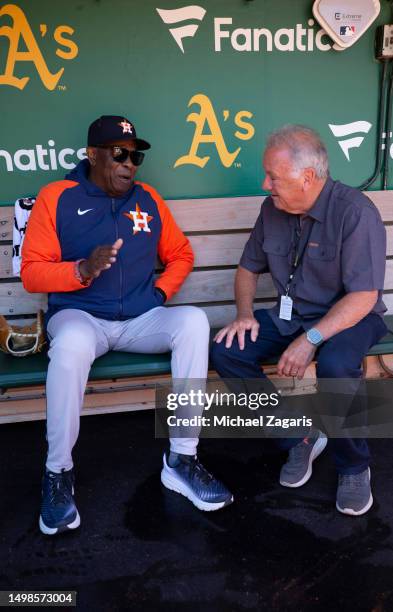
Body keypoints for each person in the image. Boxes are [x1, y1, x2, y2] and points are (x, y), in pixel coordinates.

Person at [21, 114, 233, 535]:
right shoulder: (57, 197)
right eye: (119, 154)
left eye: (135, 156)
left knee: (192, 322)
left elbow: (182, 254)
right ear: (93, 155)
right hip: (81, 316)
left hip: (140, 319)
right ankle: (58, 472)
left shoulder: (148, 199)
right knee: (69, 348)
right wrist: (81, 269)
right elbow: (32, 274)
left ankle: (182, 459)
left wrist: (158, 296)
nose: (129, 164)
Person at [210, 124, 387, 516]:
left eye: (273, 176)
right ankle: (297, 437)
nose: (265, 183)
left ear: (307, 177)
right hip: (293, 316)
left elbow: (363, 297)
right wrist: (243, 315)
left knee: (337, 364)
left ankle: (354, 466)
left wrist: (310, 340)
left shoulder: (355, 212)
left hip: (352, 318)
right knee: (226, 350)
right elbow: (246, 268)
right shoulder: (272, 209)